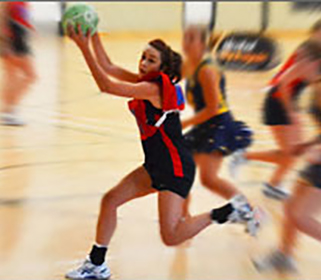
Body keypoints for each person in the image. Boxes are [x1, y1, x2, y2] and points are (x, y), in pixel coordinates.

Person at [65, 25, 261, 280]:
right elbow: (110, 67)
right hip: (155, 164)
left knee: (171, 236)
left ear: (163, 69)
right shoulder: (145, 83)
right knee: (110, 200)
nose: (143, 63)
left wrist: (82, 48)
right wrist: (92, 37)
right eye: (143, 57)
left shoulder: (154, 89)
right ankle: (96, 264)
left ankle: (226, 212)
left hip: (175, 168)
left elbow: (106, 85)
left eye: (151, 60)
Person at [253, 42, 321, 278]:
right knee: (290, 207)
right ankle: (284, 256)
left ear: (314, 63)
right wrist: (310, 144)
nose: (295, 65)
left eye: (300, 60)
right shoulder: (317, 88)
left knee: (301, 216)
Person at [231, 19, 321, 200]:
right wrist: (291, 112)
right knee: (291, 153)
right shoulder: (306, 55)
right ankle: (253, 165)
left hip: (288, 101)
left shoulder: (320, 52)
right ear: (315, 33)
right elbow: (283, 82)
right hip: (278, 101)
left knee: (293, 152)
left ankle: (266, 177)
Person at [181, 25, 253, 208]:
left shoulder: (207, 70)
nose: (186, 43)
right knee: (182, 172)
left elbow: (212, 109)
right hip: (205, 124)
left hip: (217, 125)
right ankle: (181, 216)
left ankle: (250, 210)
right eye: (185, 37)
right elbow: (166, 78)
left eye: (191, 38)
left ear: (203, 44)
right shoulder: (189, 65)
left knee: (208, 179)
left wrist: (182, 123)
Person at [0, 2, 36, 126]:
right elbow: (2, 17)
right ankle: (9, 110)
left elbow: (21, 17)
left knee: (11, 76)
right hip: (13, 42)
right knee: (31, 76)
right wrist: (5, 44)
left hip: (18, 38)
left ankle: (8, 112)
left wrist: (30, 30)